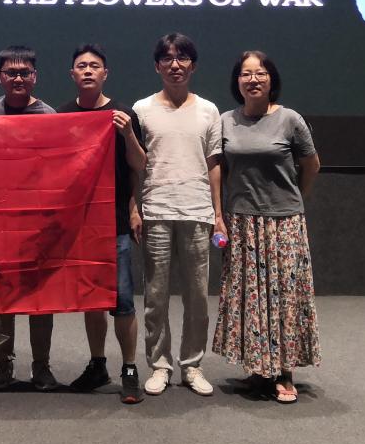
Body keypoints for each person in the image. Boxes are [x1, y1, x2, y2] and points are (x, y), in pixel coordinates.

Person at [211, 50, 322, 404]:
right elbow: (219, 169)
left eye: (260, 73)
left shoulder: (290, 119)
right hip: (242, 222)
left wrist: (293, 201)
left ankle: (285, 371)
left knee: (284, 296)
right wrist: (219, 215)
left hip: (284, 224)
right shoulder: (226, 121)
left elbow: (312, 164)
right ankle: (259, 368)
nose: (253, 79)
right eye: (246, 74)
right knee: (250, 296)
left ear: (272, 79)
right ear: (237, 81)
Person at [132, 32, 221, 398]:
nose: (175, 64)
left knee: (197, 297)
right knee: (155, 296)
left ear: (193, 65)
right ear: (157, 66)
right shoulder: (141, 109)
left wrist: (218, 213)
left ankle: (192, 364)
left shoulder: (209, 110)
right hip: (156, 210)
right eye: (167, 58)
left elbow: (214, 164)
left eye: (182, 57)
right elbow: (134, 165)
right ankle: (159, 365)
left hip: (197, 211)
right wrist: (134, 208)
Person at [57, 43, 147, 405]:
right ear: (72, 74)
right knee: (91, 299)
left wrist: (127, 135)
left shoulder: (123, 114)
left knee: (122, 300)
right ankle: (97, 365)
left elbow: (139, 166)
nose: (88, 71)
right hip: (80, 224)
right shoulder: (63, 115)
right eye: (81, 66)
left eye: (94, 66)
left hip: (115, 223)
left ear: (105, 73)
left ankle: (129, 368)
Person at [0, 44, 59, 391]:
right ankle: (2, 364)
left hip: (37, 221)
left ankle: (41, 366)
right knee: (1, 296)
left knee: (41, 297)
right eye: (11, 73)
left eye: (24, 73)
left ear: (35, 77)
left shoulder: (49, 116)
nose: (18, 78)